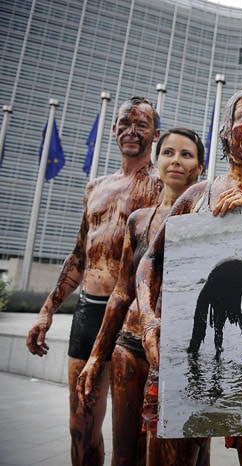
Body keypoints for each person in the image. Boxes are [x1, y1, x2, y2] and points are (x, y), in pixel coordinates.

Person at [135, 88, 242, 465]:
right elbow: (151, 261)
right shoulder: (197, 196)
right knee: (173, 452)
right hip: (191, 341)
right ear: (226, 129)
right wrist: (149, 321)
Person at [26, 96, 162, 465]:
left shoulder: (160, 185)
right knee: (80, 425)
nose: (131, 131)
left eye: (141, 124)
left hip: (129, 315)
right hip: (88, 310)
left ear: (155, 134)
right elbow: (79, 255)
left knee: (130, 433)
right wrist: (46, 310)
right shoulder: (95, 187)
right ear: (114, 129)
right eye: (124, 123)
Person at [76, 128, 206, 465]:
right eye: (168, 152)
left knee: (184, 455)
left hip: (182, 352)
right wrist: (95, 357)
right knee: (124, 455)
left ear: (200, 167)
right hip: (130, 346)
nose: (176, 160)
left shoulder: (208, 219)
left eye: (186, 154)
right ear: (157, 159)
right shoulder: (138, 219)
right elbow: (121, 291)